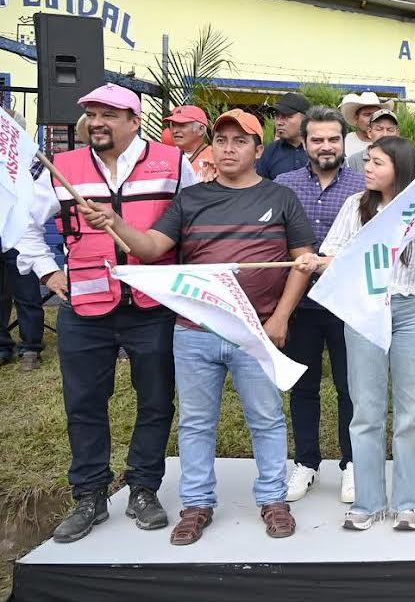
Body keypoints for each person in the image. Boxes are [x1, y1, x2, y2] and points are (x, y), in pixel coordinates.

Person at [83, 108, 315, 545]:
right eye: (222, 140)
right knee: (194, 423)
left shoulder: (281, 197)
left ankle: (273, 499)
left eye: (240, 141)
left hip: (254, 331)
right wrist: (115, 223)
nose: (229, 149)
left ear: (258, 150)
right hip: (193, 331)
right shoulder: (189, 199)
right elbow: (150, 248)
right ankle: (196, 504)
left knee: (266, 418)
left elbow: (302, 260)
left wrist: (280, 317)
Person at [15, 84, 196, 543]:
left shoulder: (174, 163)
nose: (97, 122)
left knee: (156, 401)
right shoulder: (64, 167)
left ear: (134, 121)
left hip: (154, 305)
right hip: (85, 306)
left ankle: (143, 488)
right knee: (84, 403)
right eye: (92, 114)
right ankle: (89, 495)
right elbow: (25, 225)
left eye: (109, 115)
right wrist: (48, 272)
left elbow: (196, 222)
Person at [296, 136, 415, 532]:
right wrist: (315, 262)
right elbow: (338, 257)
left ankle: (410, 502)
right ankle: (368, 502)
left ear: (400, 168)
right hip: (364, 311)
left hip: (412, 312)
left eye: (377, 162)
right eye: (367, 160)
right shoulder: (356, 206)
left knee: (411, 413)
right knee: (365, 410)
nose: (367, 168)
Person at [275, 106, 365, 504]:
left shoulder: (364, 185)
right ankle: (306, 462)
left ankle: (352, 464)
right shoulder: (284, 184)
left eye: (333, 139)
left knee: (350, 387)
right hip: (301, 304)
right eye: (317, 140)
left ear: (344, 141)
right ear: (304, 142)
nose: (326, 146)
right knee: (303, 387)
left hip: (349, 304)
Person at [2, 108, 45, 372]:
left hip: (21, 235)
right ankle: (2, 347)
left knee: (26, 294)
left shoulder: (30, 158)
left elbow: (38, 195)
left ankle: (31, 347)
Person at [256, 92, 311, 179]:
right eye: (277, 116)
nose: (279, 122)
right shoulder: (269, 152)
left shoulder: (319, 150)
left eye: (287, 116)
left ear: (305, 119)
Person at [164, 105, 216, 182]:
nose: (175, 131)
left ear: (201, 129)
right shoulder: (166, 158)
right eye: (173, 125)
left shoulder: (216, 157)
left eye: (182, 125)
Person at [339, 91, 395, 159]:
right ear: (356, 118)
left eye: (376, 114)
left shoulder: (389, 143)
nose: (372, 118)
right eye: (367, 114)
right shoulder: (344, 142)